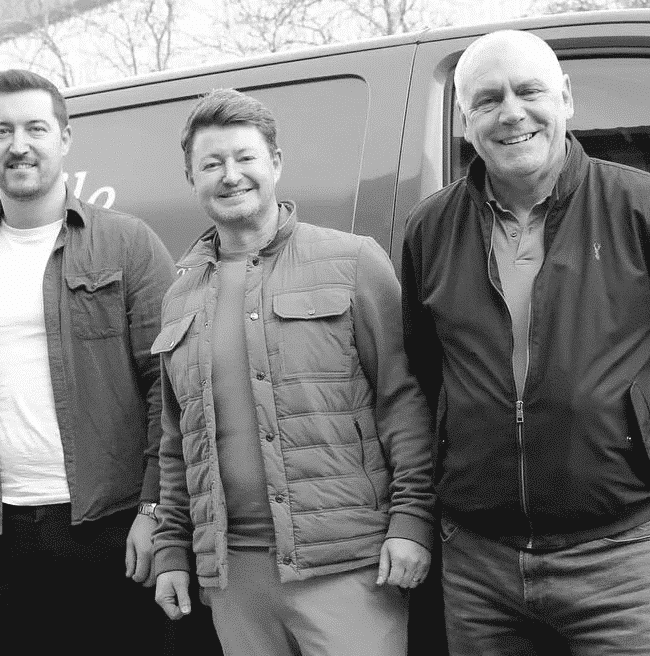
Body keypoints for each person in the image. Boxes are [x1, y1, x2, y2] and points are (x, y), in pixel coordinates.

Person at [400, 30, 650, 655]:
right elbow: (427, 375)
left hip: (617, 559)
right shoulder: (430, 229)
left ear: (566, 98)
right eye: (487, 100)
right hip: (478, 567)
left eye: (529, 90)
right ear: (465, 121)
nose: (511, 113)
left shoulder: (647, 208)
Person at [148, 89, 437, 656]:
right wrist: (172, 552)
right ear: (192, 179)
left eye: (245, 158)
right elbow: (175, 442)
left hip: (348, 569)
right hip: (233, 581)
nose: (231, 176)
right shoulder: (180, 296)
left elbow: (403, 402)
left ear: (275, 164)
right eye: (211, 164)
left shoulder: (353, 262)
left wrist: (411, 522)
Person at [0, 69, 177, 655]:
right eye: (1, 130)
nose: (19, 144)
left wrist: (156, 511)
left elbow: (169, 388)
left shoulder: (126, 244)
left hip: (114, 523)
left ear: (64, 137)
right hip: (2, 533)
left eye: (36, 127)